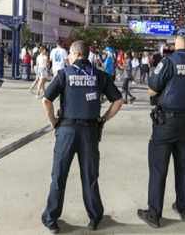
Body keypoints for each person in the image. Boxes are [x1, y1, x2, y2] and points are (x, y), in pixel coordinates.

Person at [41, 40, 123, 234]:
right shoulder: (100, 75)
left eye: (70, 53)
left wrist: (54, 122)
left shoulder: (64, 74)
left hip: (67, 131)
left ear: (77, 54)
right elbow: (118, 101)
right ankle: (95, 217)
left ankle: (51, 219)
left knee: (59, 175)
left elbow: (46, 100)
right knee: (90, 176)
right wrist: (103, 120)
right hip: (90, 131)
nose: (68, 56)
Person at [137, 29, 185, 228]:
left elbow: (152, 88)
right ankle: (184, 209)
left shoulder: (167, 63)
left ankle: (154, 214)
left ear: (176, 41)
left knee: (159, 168)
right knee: (184, 167)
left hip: (165, 123)